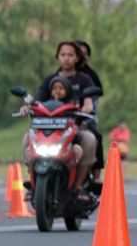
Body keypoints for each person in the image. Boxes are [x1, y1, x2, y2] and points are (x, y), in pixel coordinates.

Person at [22, 41, 97, 194]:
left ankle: (78, 186)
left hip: (75, 127)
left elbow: (89, 102)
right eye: (63, 55)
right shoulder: (49, 80)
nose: (66, 58)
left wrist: (87, 107)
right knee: (26, 139)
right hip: (47, 128)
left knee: (89, 139)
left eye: (70, 55)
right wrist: (27, 108)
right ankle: (33, 181)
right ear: (57, 57)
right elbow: (36, 102)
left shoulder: (84, 80)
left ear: (77, 58)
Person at [75, 40, 104, 179]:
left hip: (84, 117)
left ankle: (96, 174)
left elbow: (95, 96)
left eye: (85, 54)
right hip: (62, 118)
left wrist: (87, 107)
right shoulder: (59, 74)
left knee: (95, 136)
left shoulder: (90, 77)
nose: (82, 57)